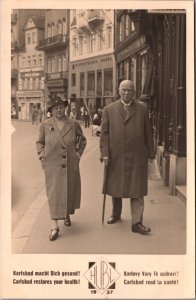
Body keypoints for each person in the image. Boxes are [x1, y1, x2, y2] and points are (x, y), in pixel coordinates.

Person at [100, 80, 155, 235]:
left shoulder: (142, 109)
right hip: (115, 155)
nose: (127, 93)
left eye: (130, 90)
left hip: (137, 156)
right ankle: (116, 214)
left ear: (134, 92)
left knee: (137, 188)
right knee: (116, 185)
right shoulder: (109, 110)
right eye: (124, 90)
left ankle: (137, 222)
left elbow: (148, 133)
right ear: (119, 91)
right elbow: (104, 134)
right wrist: (104, 154)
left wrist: (151, 153)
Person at [36, 96, 87, 241]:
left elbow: (82, 139)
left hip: (70, 164)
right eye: (55, 107)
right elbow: (39, 142)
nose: (58, 110)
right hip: (52, 166)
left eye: (61, 107)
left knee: (68, 192)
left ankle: (66, 215)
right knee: (54, 194)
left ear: (65, 108)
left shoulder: (74, 123)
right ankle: (54, 226)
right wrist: (41, 156)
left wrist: (78, 154)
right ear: (51, 110)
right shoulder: (45, 124)